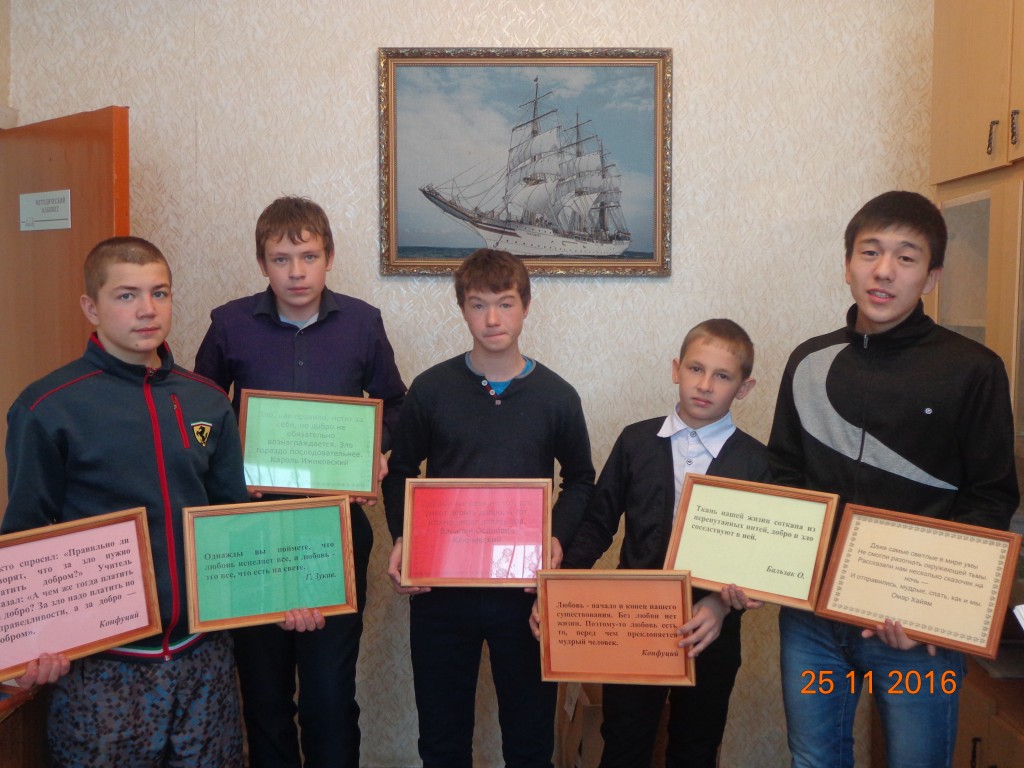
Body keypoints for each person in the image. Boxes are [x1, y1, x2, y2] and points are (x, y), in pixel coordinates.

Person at [767, 190, 1019, 768]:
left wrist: (935, 608)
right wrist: (761, 568)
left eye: (906, 258)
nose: (884, 271)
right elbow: (783, 474)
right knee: (814, 758)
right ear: (847, 265)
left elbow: (990, 497)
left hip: (914, 633)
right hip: (811, 623)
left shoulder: (974, 369)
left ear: (931, 277)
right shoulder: (808, 360)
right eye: (870, 252)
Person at [3, 236, 248, 766]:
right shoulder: (47, 407)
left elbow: (233, 521)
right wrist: (25, 648)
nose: (147, 310)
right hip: (102, 669)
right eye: (126, 295)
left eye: (159, 293)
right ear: (91, 308)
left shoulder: (207, 400)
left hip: (203, 658)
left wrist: (288, 593)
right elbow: (23, 534)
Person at [193, 196, 406, 767]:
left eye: (308, 256)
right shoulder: (229, 323)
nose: (296, 272)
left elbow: (398, 404)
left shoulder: (362, 322)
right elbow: (196, 419)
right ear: (262, 263)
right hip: (250, 531)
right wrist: (227, 468)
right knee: (264, 696)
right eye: (281, 259)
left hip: (334, 529)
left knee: (329, 696)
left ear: (329, 257)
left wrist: (376, 449)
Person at [381, 248, 595, 768]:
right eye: (478, 305)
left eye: (505, 303)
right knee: (441, 740)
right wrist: (405, 539)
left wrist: (557, 539)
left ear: (526, 307)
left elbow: (581, 479)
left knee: (529, 742)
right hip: (441, 590)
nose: (492, 318)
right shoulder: (431, 389)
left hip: (523, 593)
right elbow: (401, 469)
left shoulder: (557, 396)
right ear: (462, 309)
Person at [556, 319, 769, 768]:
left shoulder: (757, 462)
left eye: (722, 375)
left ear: (744, 388)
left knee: (696, 749)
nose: (705, 385)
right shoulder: (635, 441)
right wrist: (558, 588)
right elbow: (597, 523)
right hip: (635, 621)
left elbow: (763, 558)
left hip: (712, 629)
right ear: (676, 369)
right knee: (624, 744)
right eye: (695, 369)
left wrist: (722, 604)